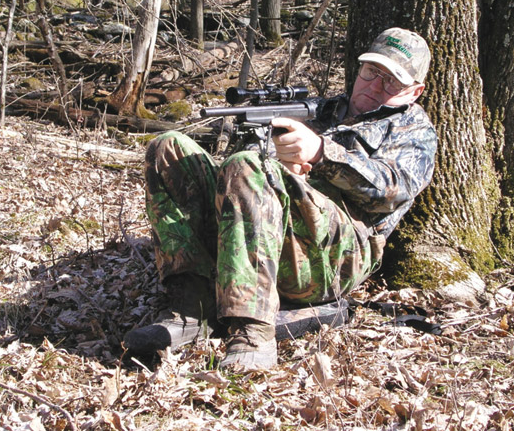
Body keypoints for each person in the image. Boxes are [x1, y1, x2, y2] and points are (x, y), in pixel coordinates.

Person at [124, 27, 437, 371]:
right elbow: (242, 171)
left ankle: (252, 331)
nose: (375, 86)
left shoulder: (413, 130)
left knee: (248, 166)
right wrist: (264, 151)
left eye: (391, 81)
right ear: (359, 68)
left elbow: (392, 191)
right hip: (266, 237)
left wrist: (322, 154)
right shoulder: (318, 108)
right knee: (168, 148)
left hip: (332, 258)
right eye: (371, 72)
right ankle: (191, 308)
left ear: (415, 91)